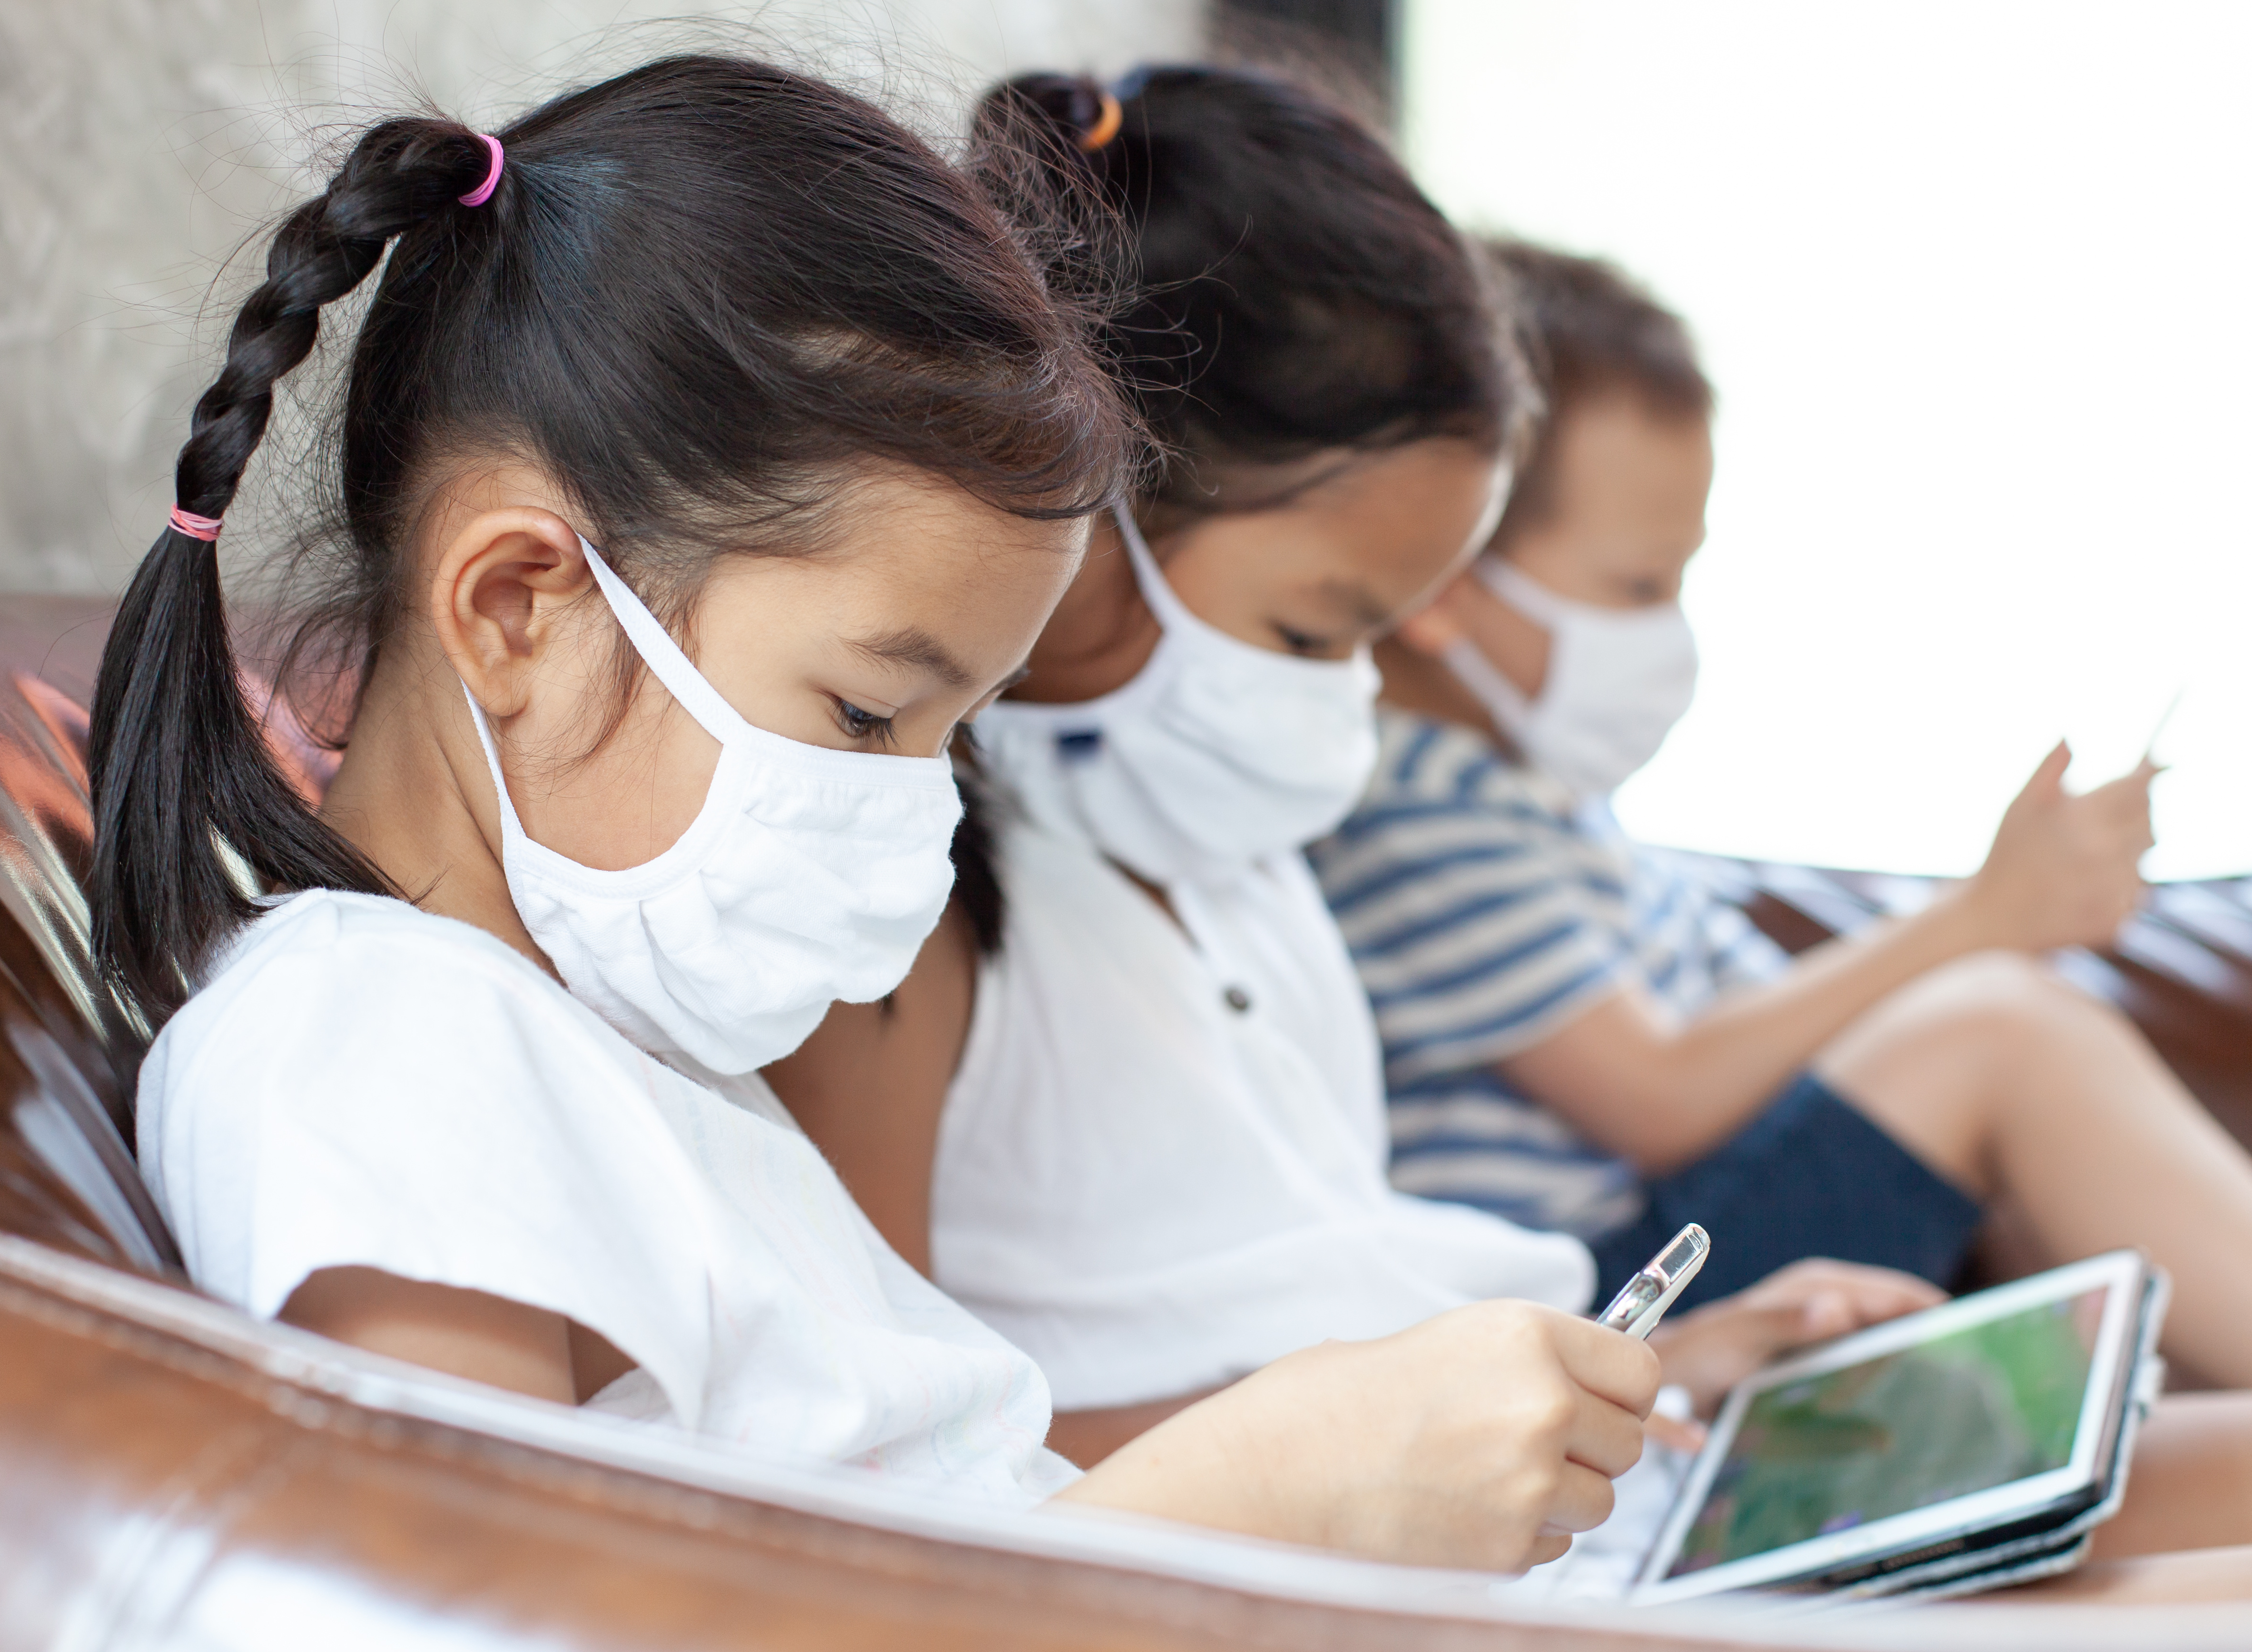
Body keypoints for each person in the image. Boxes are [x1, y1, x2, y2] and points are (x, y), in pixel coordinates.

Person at [770, 72, 2252, 1605]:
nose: (1352, 699)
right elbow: (923, 1460)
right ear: (1088, 503)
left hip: (1600, 1486)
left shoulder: (1234, 875)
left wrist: (1667, 1361)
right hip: (1475, 1553)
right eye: (1311, 633)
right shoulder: (905, 920)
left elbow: (1330, 1284)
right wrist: (1387, 1437)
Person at [91, 56, 1677, 1575]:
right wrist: (1260, 1491)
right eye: (863, 713)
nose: (915, 824)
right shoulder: (376, 1038)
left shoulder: (642, 1061)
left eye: (950, 732)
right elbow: (468, 1609)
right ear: (516, 606)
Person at [1306, 241, 2252, 1393]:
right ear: (1443, 579)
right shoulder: (1411, 807)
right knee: (1997, 1029)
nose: (1666, 631)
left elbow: (1770, 1051)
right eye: (1636, 587)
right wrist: (1975, 920)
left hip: (1662, 1251)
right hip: (1599, 1304)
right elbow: (1658, 1093)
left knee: (2000, 1061)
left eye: (1681, 581)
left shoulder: (1543, 802)